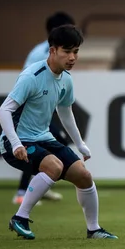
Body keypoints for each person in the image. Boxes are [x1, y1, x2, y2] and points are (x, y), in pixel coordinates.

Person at [0, 25, 117, 240]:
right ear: (53, 51)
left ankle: (94, 229)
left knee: (84, 175)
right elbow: (4, 111)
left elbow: (65, 112)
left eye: (76, 52)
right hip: (15, 141)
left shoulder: (66, 79)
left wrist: (79, 143)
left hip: (43, 138)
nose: (72, 57)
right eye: (67, 51)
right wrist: (16, 144)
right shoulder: (32, 76)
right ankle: (20, 217)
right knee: (54, 166)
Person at [12, 12, 75, 205]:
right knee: (44, 145)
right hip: (27, 111)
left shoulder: (49, 52)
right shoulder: (44, 54)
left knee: (53, 145)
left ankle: (39, 186)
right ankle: (23, 191)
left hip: (40, 110)